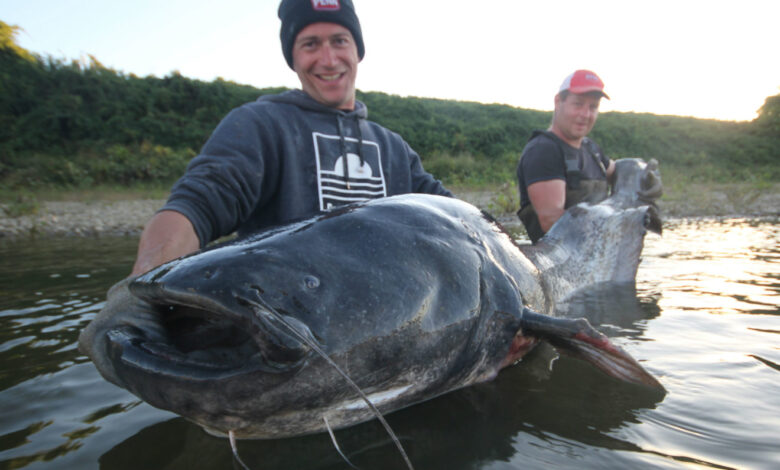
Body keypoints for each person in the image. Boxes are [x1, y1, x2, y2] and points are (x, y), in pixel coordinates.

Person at [130, 0, 452, 276]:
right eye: (310, 44)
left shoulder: (393, 149)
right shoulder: (260, 125)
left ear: (357, 50)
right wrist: (143, 289)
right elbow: (197, 204)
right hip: (288, 333)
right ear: (293, 58)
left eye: (339, 41)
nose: (328, 59)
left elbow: (456, 221)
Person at [516, 69, 615, 243]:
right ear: (558, 102)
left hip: (601, 256)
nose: (585, 115)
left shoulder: (591, 149)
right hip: (562, 265)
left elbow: (618, 170)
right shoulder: (543, 151)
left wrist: (641, 173)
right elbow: (553, 224)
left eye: (593, 107)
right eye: (578, 104)